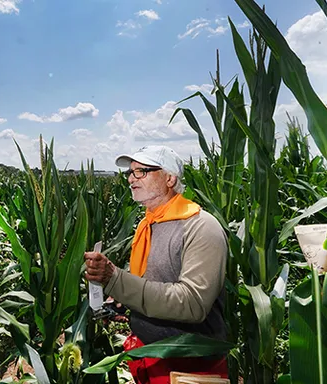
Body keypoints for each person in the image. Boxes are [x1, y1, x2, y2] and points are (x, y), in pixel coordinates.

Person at [84, 145, 229, 383]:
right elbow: (152, 281)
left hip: (189, 363)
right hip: (148, 352)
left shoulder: (201, 227)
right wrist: (122, 300)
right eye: (130, 172)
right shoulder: (148, 224)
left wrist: (116, 280)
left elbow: (192, 302)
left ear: (169, 178)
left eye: (141, 171)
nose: (131, 178)